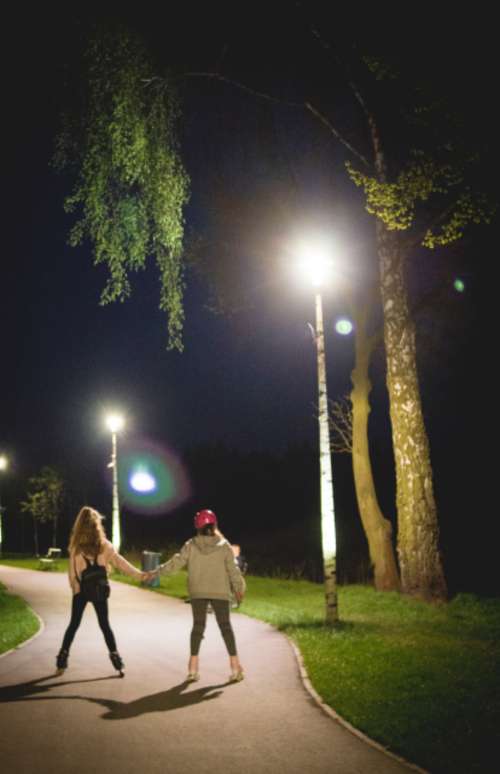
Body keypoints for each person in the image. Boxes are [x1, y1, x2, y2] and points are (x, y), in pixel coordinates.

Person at [147, 508, 246, 683]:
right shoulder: (224, 546)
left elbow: (176, 562)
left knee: (198, 627)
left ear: (197, 526)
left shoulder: (191, 544)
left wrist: (157, 571)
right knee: (226, 627)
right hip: (220, 592)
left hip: (197, 592)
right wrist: (240, 589)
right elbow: (234, 571)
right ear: (214, 525)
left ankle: (192, 669)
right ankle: (235, 666)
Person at [56, 506, 146, 675]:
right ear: (97, 525)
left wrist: (76, 590)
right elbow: (120, 563)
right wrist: (139, 575)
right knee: (105, 625)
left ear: (80, 525)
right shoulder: (105, 546)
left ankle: (62, 659)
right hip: (100, 590)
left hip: (82, 591)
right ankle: (117, 661)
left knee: (74, 624)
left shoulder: (76, 548)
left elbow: (72, 573)